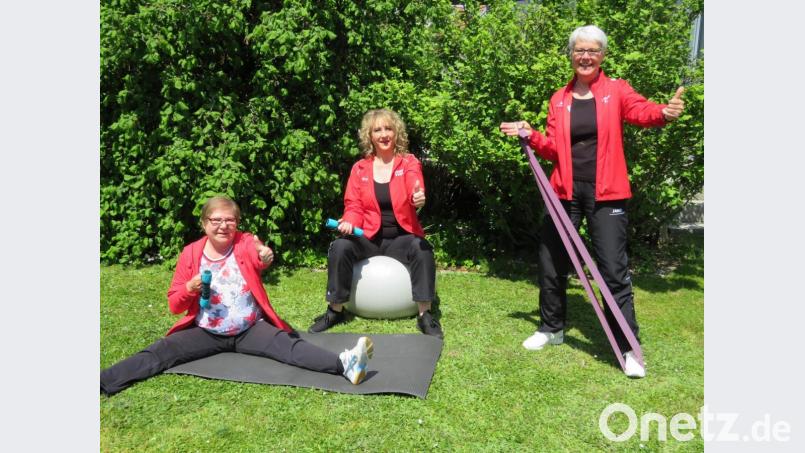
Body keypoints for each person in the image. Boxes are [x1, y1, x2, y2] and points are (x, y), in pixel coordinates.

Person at [500, 25, 685, 378]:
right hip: (565, 192)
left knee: (612, 270)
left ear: (602, 56)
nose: (585, 57)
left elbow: (641, 111)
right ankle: (551, 329)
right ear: (571, 55)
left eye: (592, 51)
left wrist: (664, 113)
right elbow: (554, 147)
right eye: (579, 51)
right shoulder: (560, 98)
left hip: (607, 193)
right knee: (551, 261)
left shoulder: (616, 91)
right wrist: (531, 133)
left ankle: (627, 346)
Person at [101, 196, 374, 395]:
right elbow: (174, 304)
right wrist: (189, 289)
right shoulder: (191, 253)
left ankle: (345, 364)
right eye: (216, 220)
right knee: (162, 350)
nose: (223, 226)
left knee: (291, 347)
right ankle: (104, 381)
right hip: (206, 330)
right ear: (204, 223)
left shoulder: (244, 242)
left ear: (237, 223)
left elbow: (259, 257)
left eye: (229, 220)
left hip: (249, 328)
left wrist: (265, 256)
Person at [309, 108, 443, 338]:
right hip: (369, 236)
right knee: (340, 247)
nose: (383, 134)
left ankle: (425, 315)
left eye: (388, 128)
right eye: (377, 130)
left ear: (396, 132)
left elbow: (415, 185)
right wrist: (349, 221)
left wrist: (417, 197)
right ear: (369, 136)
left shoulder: (408, 162)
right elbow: (353, 205)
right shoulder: (359, 168)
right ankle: (335, 310)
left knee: (423, 250)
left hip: (402, 236)